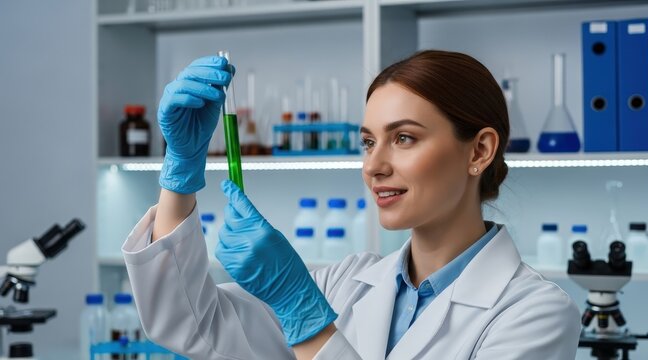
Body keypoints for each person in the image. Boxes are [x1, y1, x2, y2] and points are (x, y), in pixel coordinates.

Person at [122, 51, 581, 359]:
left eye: (404, 138)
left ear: (479, 151)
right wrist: (181, 171)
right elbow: (190, 323)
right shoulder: (348, 283)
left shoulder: (534, 314)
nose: (374, 166)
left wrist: (306, 319)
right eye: (367, 142)